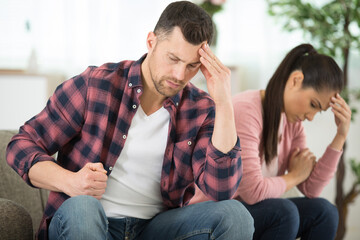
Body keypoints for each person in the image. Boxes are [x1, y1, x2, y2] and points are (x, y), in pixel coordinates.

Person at [6, 1, 255, 240]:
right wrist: (70, 181)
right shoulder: (96, 84)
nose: (180, 75)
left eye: (192, 65)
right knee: (83, 208)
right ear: (151, 42)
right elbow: (22, 144)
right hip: (88, 220)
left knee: (235, 216)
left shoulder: (200, 109)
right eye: (173, 59)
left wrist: (223, 103)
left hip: (156, 228)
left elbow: (221, 189)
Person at [189, 43, 351, 239]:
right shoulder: (246, 111)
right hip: (213, 211)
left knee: (325, 212)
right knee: (283, 212)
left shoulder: (292, 123)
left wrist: (340, 135)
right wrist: (294, 176)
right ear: (296, 80)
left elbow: (311, 188)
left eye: (319, 111)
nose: (311, 116)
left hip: (246, 208)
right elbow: (253, 192)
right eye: (313, 105)